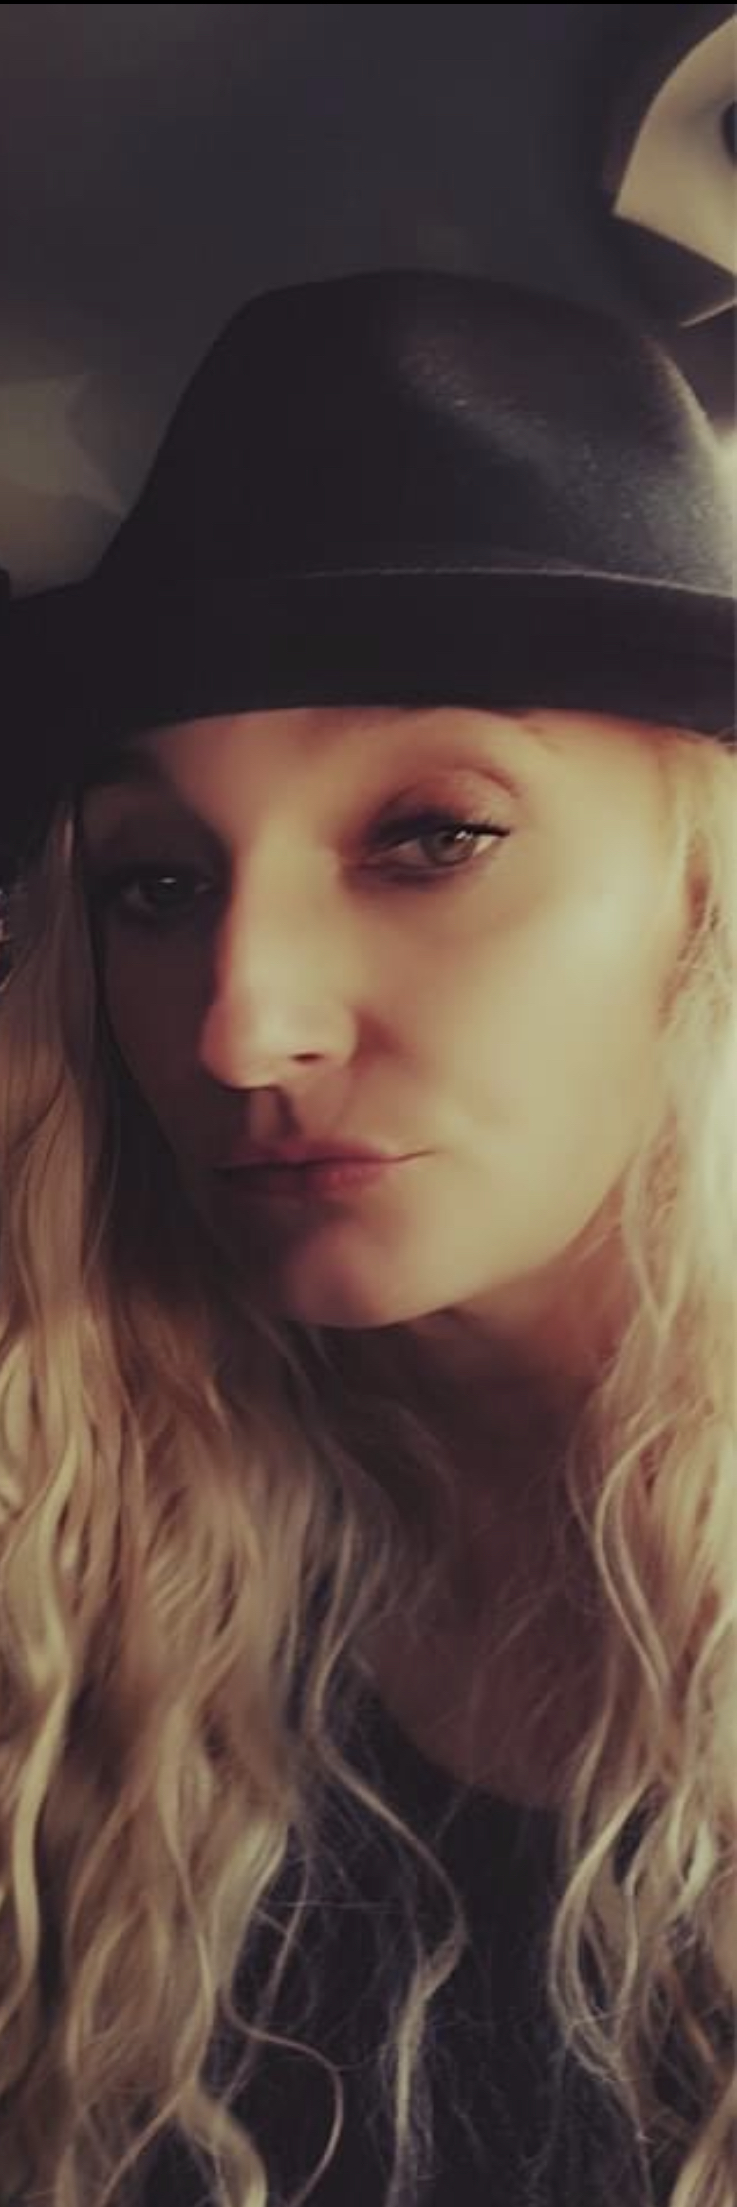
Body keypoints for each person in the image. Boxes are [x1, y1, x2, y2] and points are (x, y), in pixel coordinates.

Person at [0, 268, 734, 2207]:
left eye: (432, 836)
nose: (241, 1029)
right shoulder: (63, 1559)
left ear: (702, 901)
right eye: (157, 883)